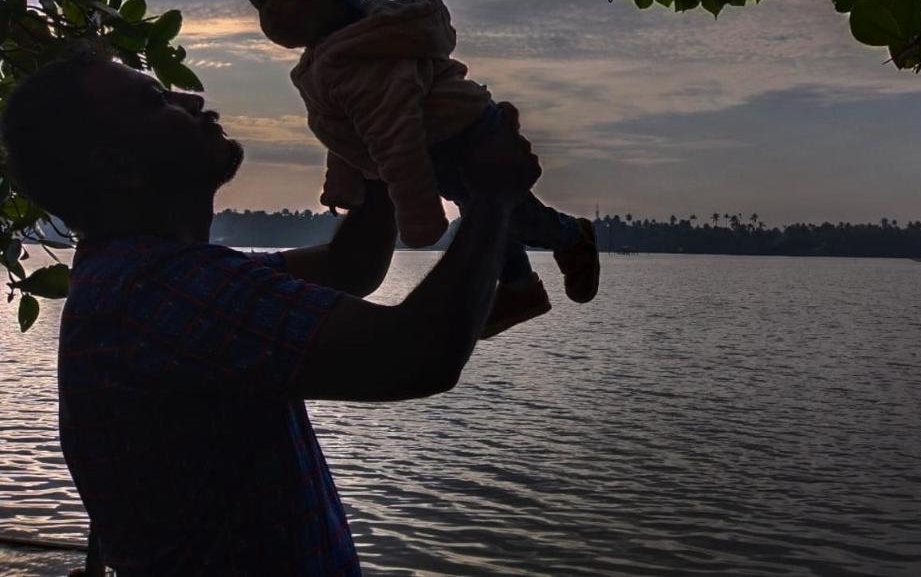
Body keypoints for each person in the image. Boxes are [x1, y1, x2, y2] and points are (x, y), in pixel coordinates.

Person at [0, 45, 543, 575]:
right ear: (119, 167)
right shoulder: (162, 291)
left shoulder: (156, 274)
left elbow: (352, 266)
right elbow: (419, 355)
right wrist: (493, 197)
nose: (192, 100)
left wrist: (374, 156)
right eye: (156, 101)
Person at [238, 0, 599, 337]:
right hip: (442, 142)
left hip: (463, 135)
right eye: (264, 2)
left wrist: (420, 217)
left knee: (512, 215)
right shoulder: (327, 62)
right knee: (486, 212)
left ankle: (569, 237)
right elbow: (345, 129)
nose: (273, 12)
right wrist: (344, 184)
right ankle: (518, 286)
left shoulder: (358, 62)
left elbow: (395, 138)